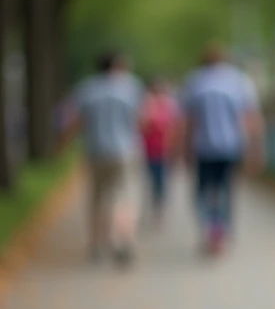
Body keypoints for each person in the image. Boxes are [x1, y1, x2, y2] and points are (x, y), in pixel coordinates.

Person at [177, 42, 264, 255]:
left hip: (203, 147)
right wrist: (256, 149)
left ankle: (210, 228)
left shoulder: (195, 81)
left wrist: (184, 149)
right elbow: (251, 118)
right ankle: (222, 231)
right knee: (226, 188)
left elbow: (187, 121)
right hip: (231, 146)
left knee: (203, 190)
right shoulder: (239, 80)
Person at [59, 50, 144, 266]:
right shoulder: (130, 87)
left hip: (95, 151)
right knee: (124, 196)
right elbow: (144, 119)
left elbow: (75, 121)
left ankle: (96, 245)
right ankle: (123, 239)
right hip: (125, 151)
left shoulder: (87, 89)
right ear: (117, 65)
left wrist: (62, 145)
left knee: (97, 198)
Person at [138, 76, 180, 225]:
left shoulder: (171, 106)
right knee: (151, 179)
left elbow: (175, 128)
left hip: (164, 150)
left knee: (161, 180)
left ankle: (159, 208)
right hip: (148, 150)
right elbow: (142, 126)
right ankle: (153, 207)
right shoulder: (146, 106)